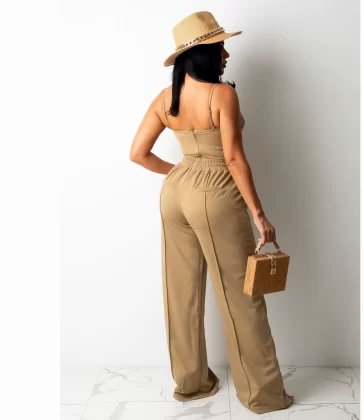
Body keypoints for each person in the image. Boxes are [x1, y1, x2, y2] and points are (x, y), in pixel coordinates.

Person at [129, 11, 294, 415]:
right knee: (242, 294)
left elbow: (138, 153)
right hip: (216, 192)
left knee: (180, 292)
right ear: (204, 53)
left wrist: (181, 173)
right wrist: (259, 214)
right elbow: (233, 158)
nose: (227, 54)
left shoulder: (165, 99)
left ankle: (192, 383)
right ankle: (262, 394)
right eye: (221, 47)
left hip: (175, 194)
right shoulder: (221, 95)